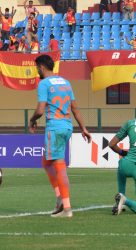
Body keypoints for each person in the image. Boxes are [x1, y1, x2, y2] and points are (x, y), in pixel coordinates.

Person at [29, 55, 91, 218]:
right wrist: (83, 128)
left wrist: (32, 119)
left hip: (54, 127)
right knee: (46, 161)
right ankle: (59, 198)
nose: (37, 71)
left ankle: (67, 208)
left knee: (58, 164)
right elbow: (75, 108)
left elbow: (41, 110)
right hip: (67, 126)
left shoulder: (43, 84)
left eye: (37, 68)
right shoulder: (65, 82)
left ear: (41, 67)